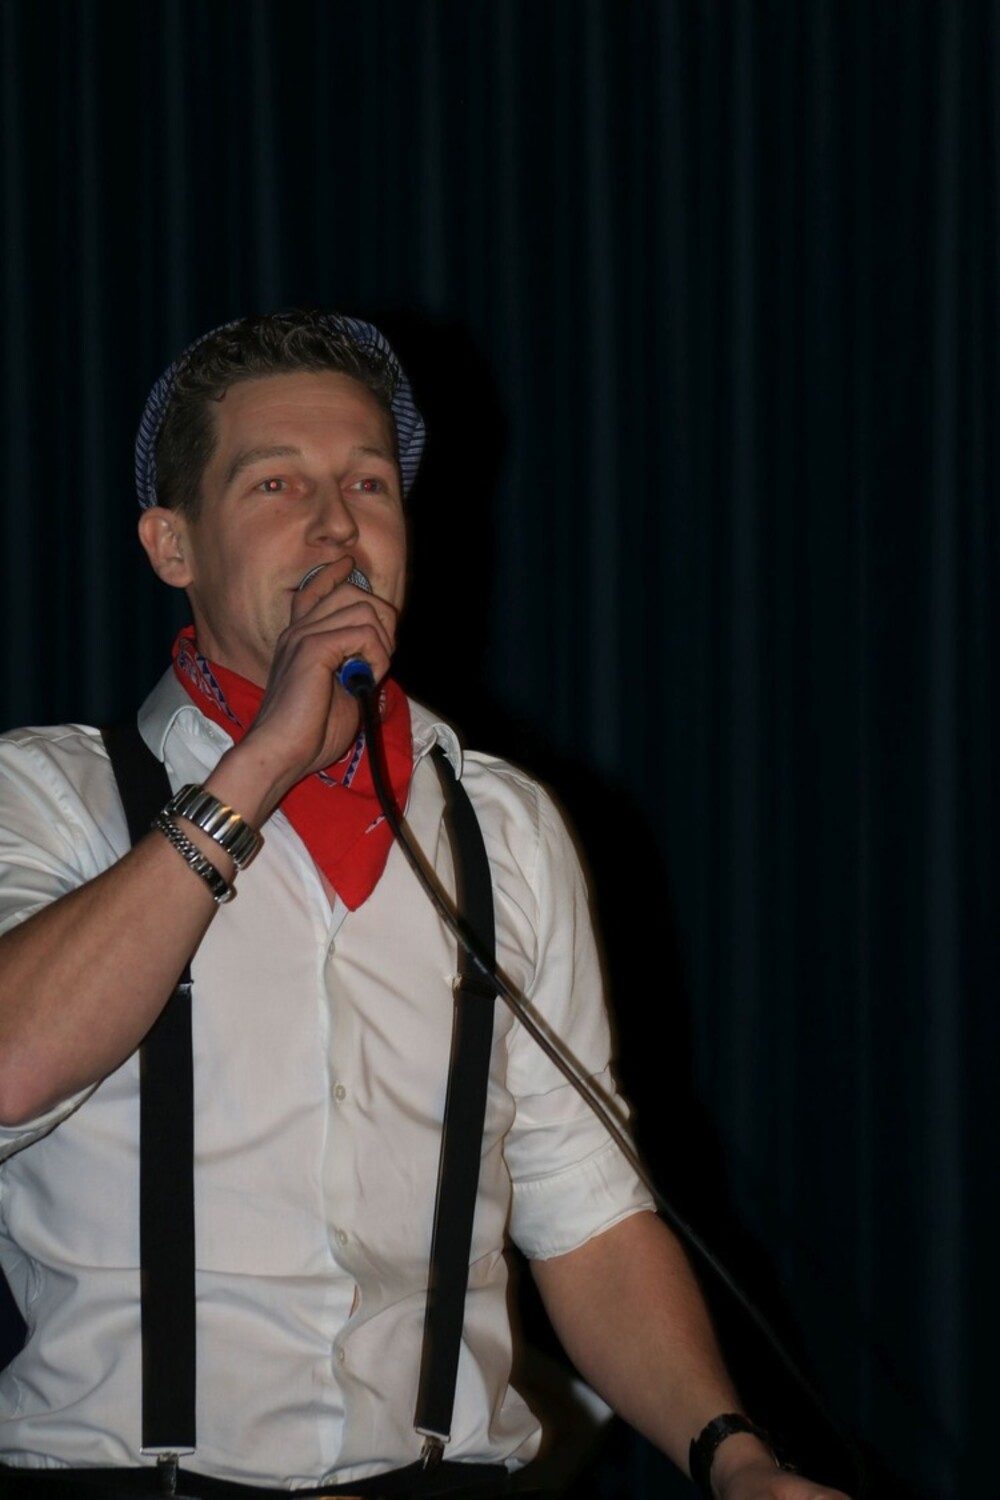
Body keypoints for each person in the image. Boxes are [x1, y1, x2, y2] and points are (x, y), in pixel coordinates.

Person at [0, 311, 848, 1499]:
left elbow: (587, 1217)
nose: (336, 524)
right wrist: (262, 764)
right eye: (276, 483)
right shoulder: (45, 792)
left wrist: (733, 1460)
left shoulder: (503, 827)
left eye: (368, 484)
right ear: (171, 544)